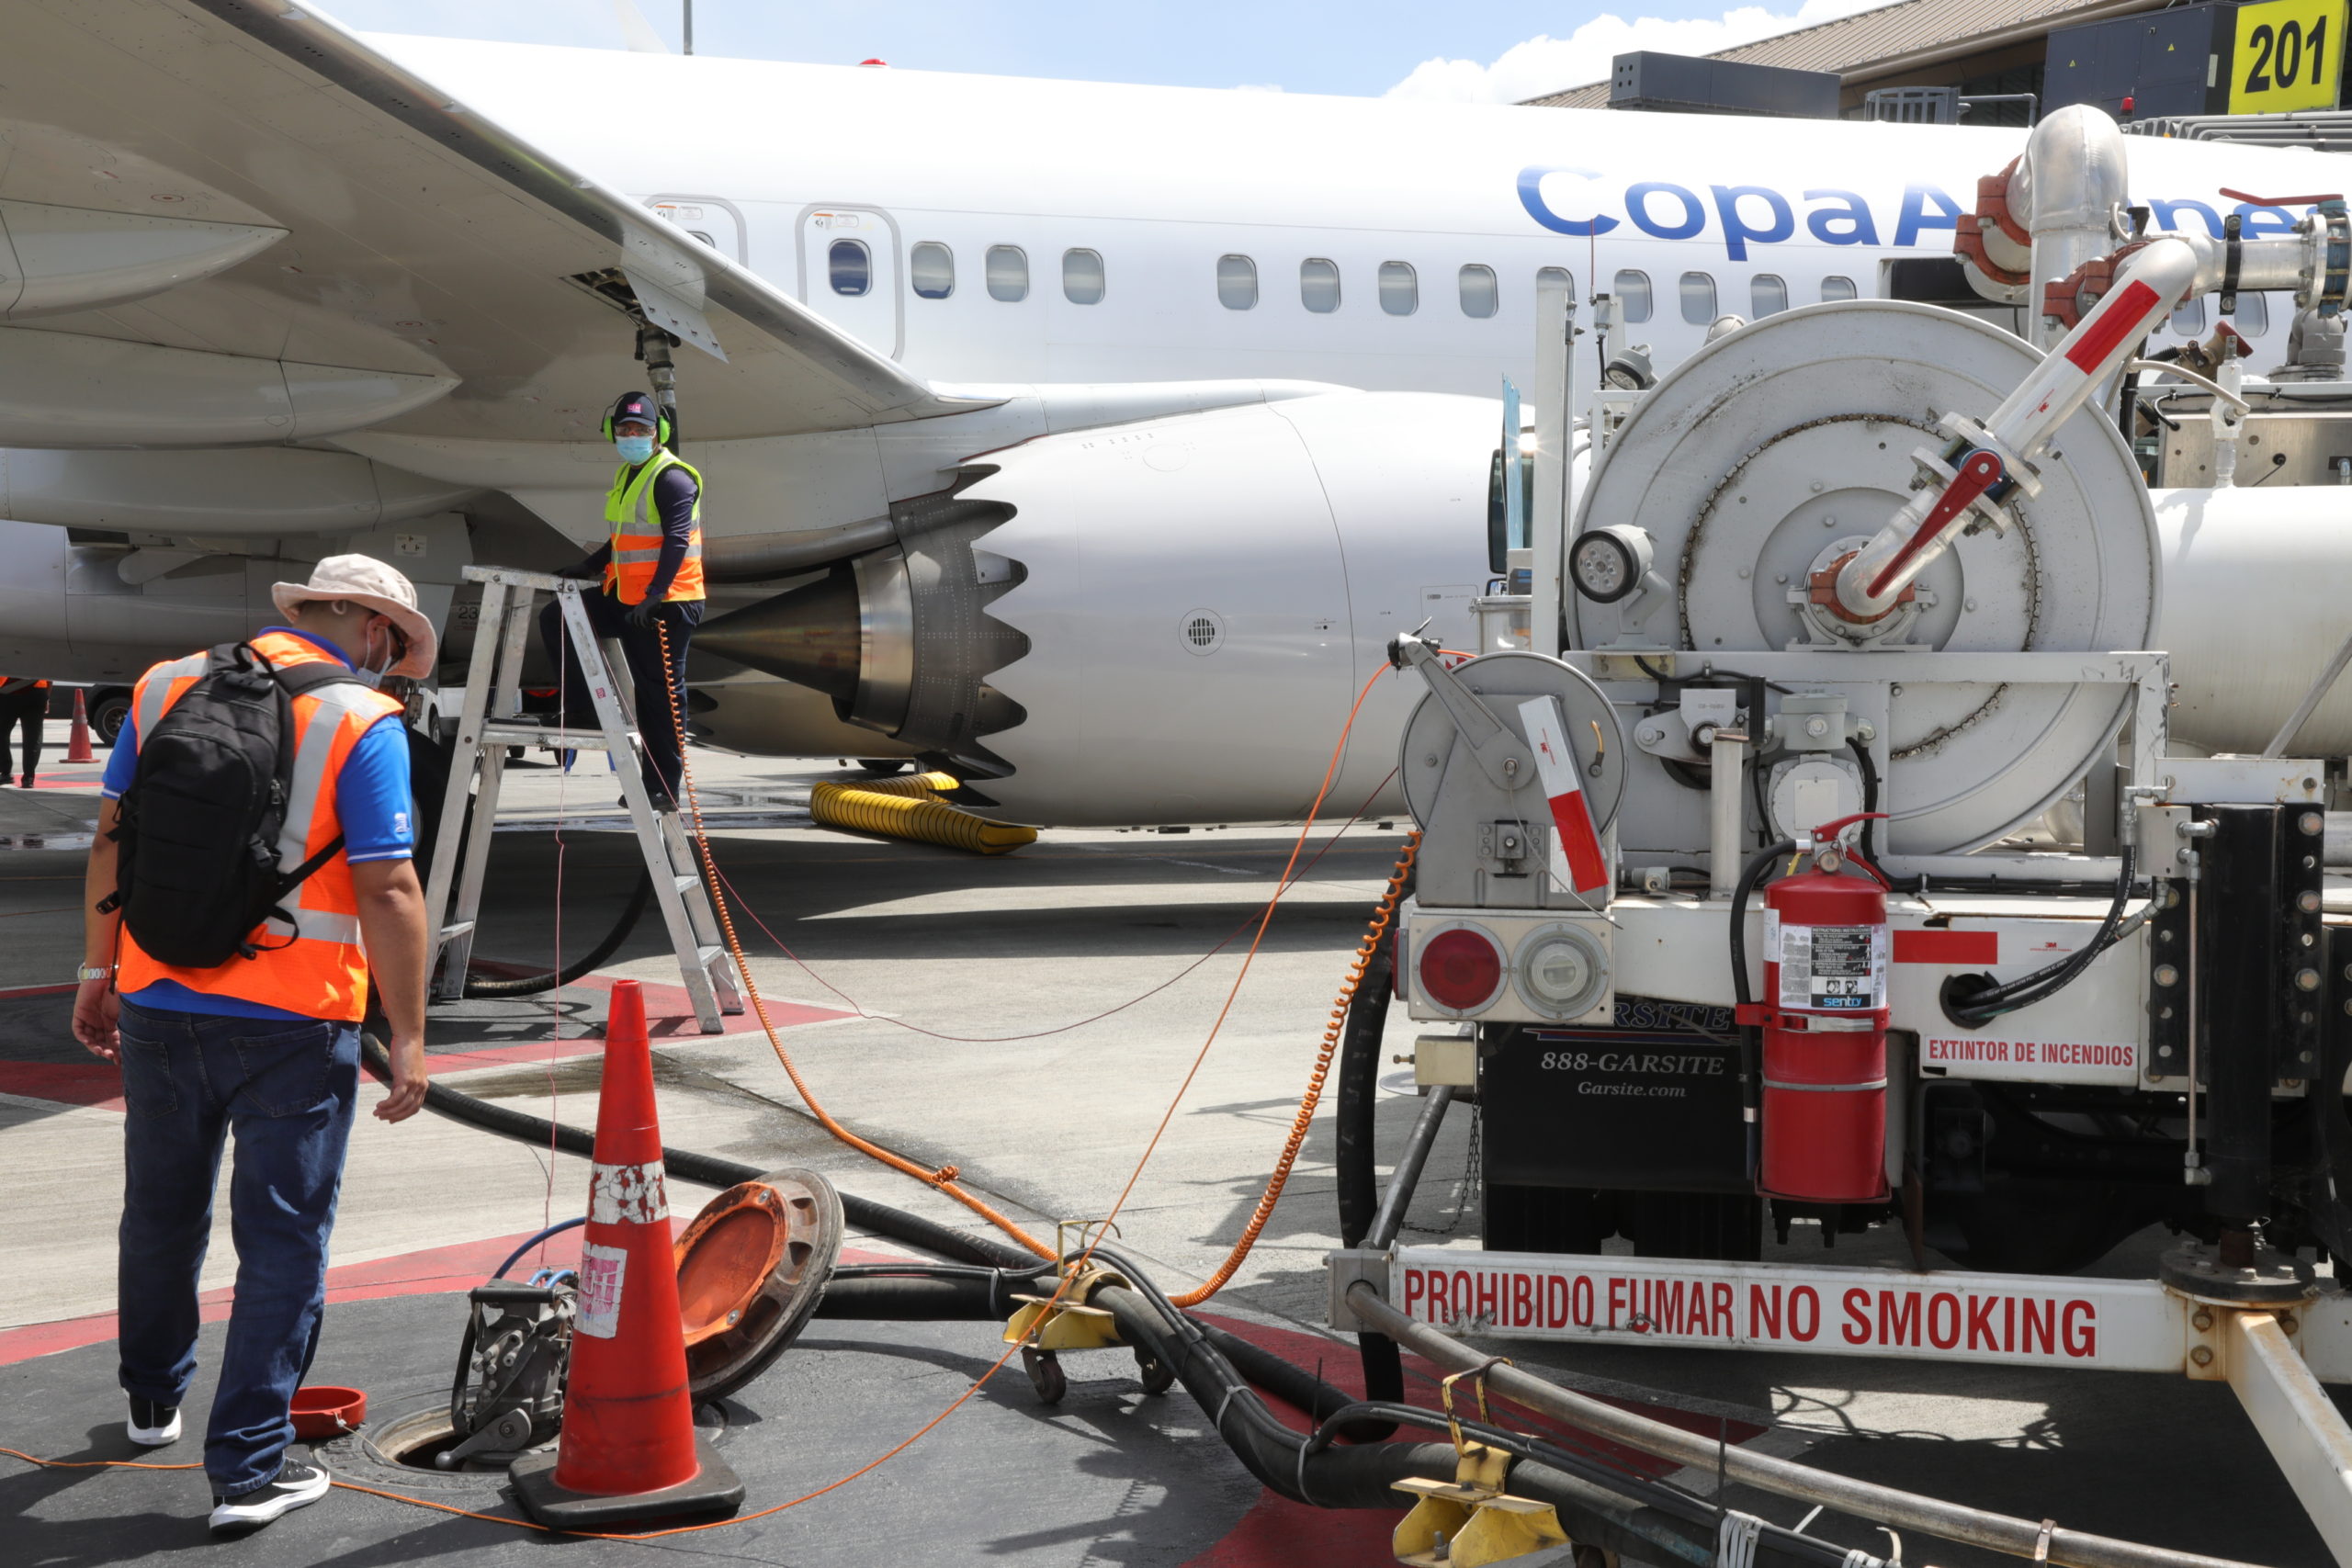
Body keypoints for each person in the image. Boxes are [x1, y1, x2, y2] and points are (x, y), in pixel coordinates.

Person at [71, 556, 435, 1536]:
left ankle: (153, 1398)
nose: (391, 660)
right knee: (281, 1242)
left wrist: (96, 972)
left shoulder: (162, 685)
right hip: (293, 1022)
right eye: (393, 641)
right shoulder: (362, 720)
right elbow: (389, 887)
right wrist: (407, 1033)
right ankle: (247, 1472)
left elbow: (112, 836)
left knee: (160, 1211)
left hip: (155, 996)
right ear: (365, 624)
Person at [540, 389, 706, 807]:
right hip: (628, 597)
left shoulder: (672, 477)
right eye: (625, 429)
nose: (632, 435)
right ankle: (581, 710)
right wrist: (588, 566)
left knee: (658, 696)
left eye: (641, 429)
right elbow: (624, 539)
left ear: (657, 433)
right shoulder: (627, 475)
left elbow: (677, 540)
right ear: (613, 434)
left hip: (667, 603)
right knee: (558, 616)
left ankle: (663, 789)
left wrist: (656, 594)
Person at [0, 673, 49, 786]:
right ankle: (28, 778)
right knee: (33, 736)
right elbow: (50, 675)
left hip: (7, 690)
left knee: (2, 733)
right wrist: (47, 696)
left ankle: (5, 772)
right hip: (37, 690)